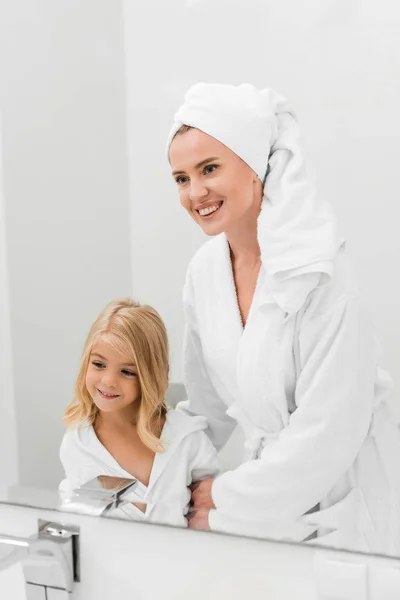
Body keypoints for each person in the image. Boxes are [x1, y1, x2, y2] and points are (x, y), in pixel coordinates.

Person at [167, 82, 400, 553]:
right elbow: (208, 408)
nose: (195, 191)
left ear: (256, 166)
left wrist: (227, 500)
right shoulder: (205, 273)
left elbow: (329, 432)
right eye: (181, 177)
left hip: (347, 496)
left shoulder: (322, 277)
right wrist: (161, 473)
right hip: (268, 504)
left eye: (209, 168)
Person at [59, 298, 220, 526]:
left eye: (126, 371)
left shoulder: (187, 438)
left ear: (149, 375)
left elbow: (210, 512)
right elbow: (79, 522)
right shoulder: (79, 442)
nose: (108, 381)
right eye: (99, 364)